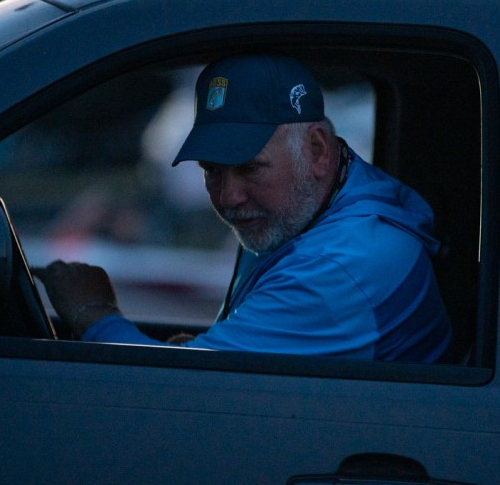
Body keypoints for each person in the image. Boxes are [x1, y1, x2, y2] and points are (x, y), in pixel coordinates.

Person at [36, 54, 452, 362]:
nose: (228, 197)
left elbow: (176, 389)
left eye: (250, 168)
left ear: (317, 150)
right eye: (212, 170)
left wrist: (94, 313)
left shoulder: (337, 268)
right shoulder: (336, 201)